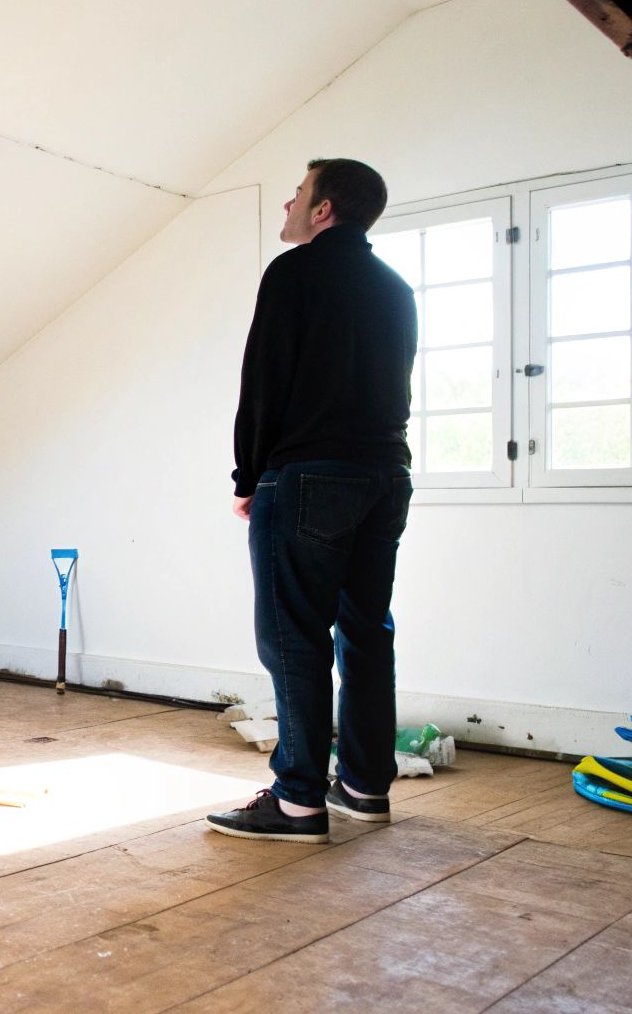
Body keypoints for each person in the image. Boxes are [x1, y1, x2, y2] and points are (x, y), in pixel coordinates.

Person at [207, 158, 417, 843]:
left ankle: (297, 800)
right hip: (385, 473)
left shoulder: (293, 273)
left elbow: (264, 381)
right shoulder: (395, 288)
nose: (290, 204)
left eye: (299, 194)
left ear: (324, 209)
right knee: (365, 630)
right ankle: (363, 785)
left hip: (308, 476)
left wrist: (248, 475)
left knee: (293, 637)